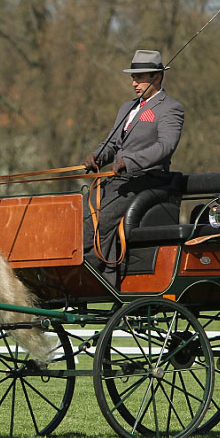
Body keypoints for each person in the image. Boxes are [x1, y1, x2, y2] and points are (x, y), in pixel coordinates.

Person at [82, 49, 184, 283]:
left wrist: (129, 162)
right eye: (133, 78)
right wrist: (97, 156)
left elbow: (165, 147)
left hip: (145, 180)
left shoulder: (170, 108)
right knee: (81, 215)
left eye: (140, 78)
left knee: (99, 221)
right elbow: (112, 142)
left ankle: (92, 273)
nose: (134, 83)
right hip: (117, 180)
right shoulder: (127, 107)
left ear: (157, 78)